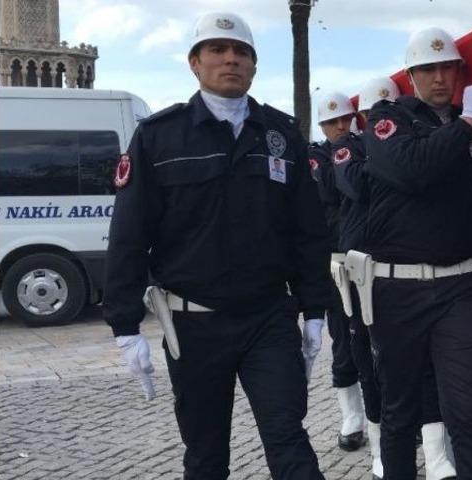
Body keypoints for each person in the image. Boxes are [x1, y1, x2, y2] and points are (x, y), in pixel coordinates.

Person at [103, 12, 331, 480]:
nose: (231, 59)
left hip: (268, 318)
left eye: (242, 52)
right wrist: (125, 326)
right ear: (195, 63)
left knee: (289, 439)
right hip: (194, 324)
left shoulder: (281, 134)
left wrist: (314, 310)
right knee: (206, 455)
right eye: (217, 50)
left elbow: (308, 231)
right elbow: (129, 234)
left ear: (254, 65)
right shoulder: (159, 137)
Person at [357, 27, 472, 480]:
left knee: (468, 412)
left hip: (460, 285)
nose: (439, 78)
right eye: (427, 69)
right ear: (411, 76)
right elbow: (411, 170)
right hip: (399, 287)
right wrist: (467, 124)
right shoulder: (388, 117)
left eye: (447, 68)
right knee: (400, 411)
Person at [332, 77, 456, 480]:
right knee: (369, 362)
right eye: (371, 115)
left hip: (400, 269)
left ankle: (436, 456)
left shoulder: (411, 138)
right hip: (360, 271)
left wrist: (405, 161)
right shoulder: (346, 148)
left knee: (427, 365)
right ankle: (378, 448)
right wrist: (395, 162)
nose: (380, 121)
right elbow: (356, 184)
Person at [309, 91, 369, 452]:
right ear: (322, 126)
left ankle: (385, 413)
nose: (341, 126)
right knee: (344, 341)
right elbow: (332, 192)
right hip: (334, 263)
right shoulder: (316, 158)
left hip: (369, 258)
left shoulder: (366, 149)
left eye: (346, 119)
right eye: (332, 121)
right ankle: (352, 417)